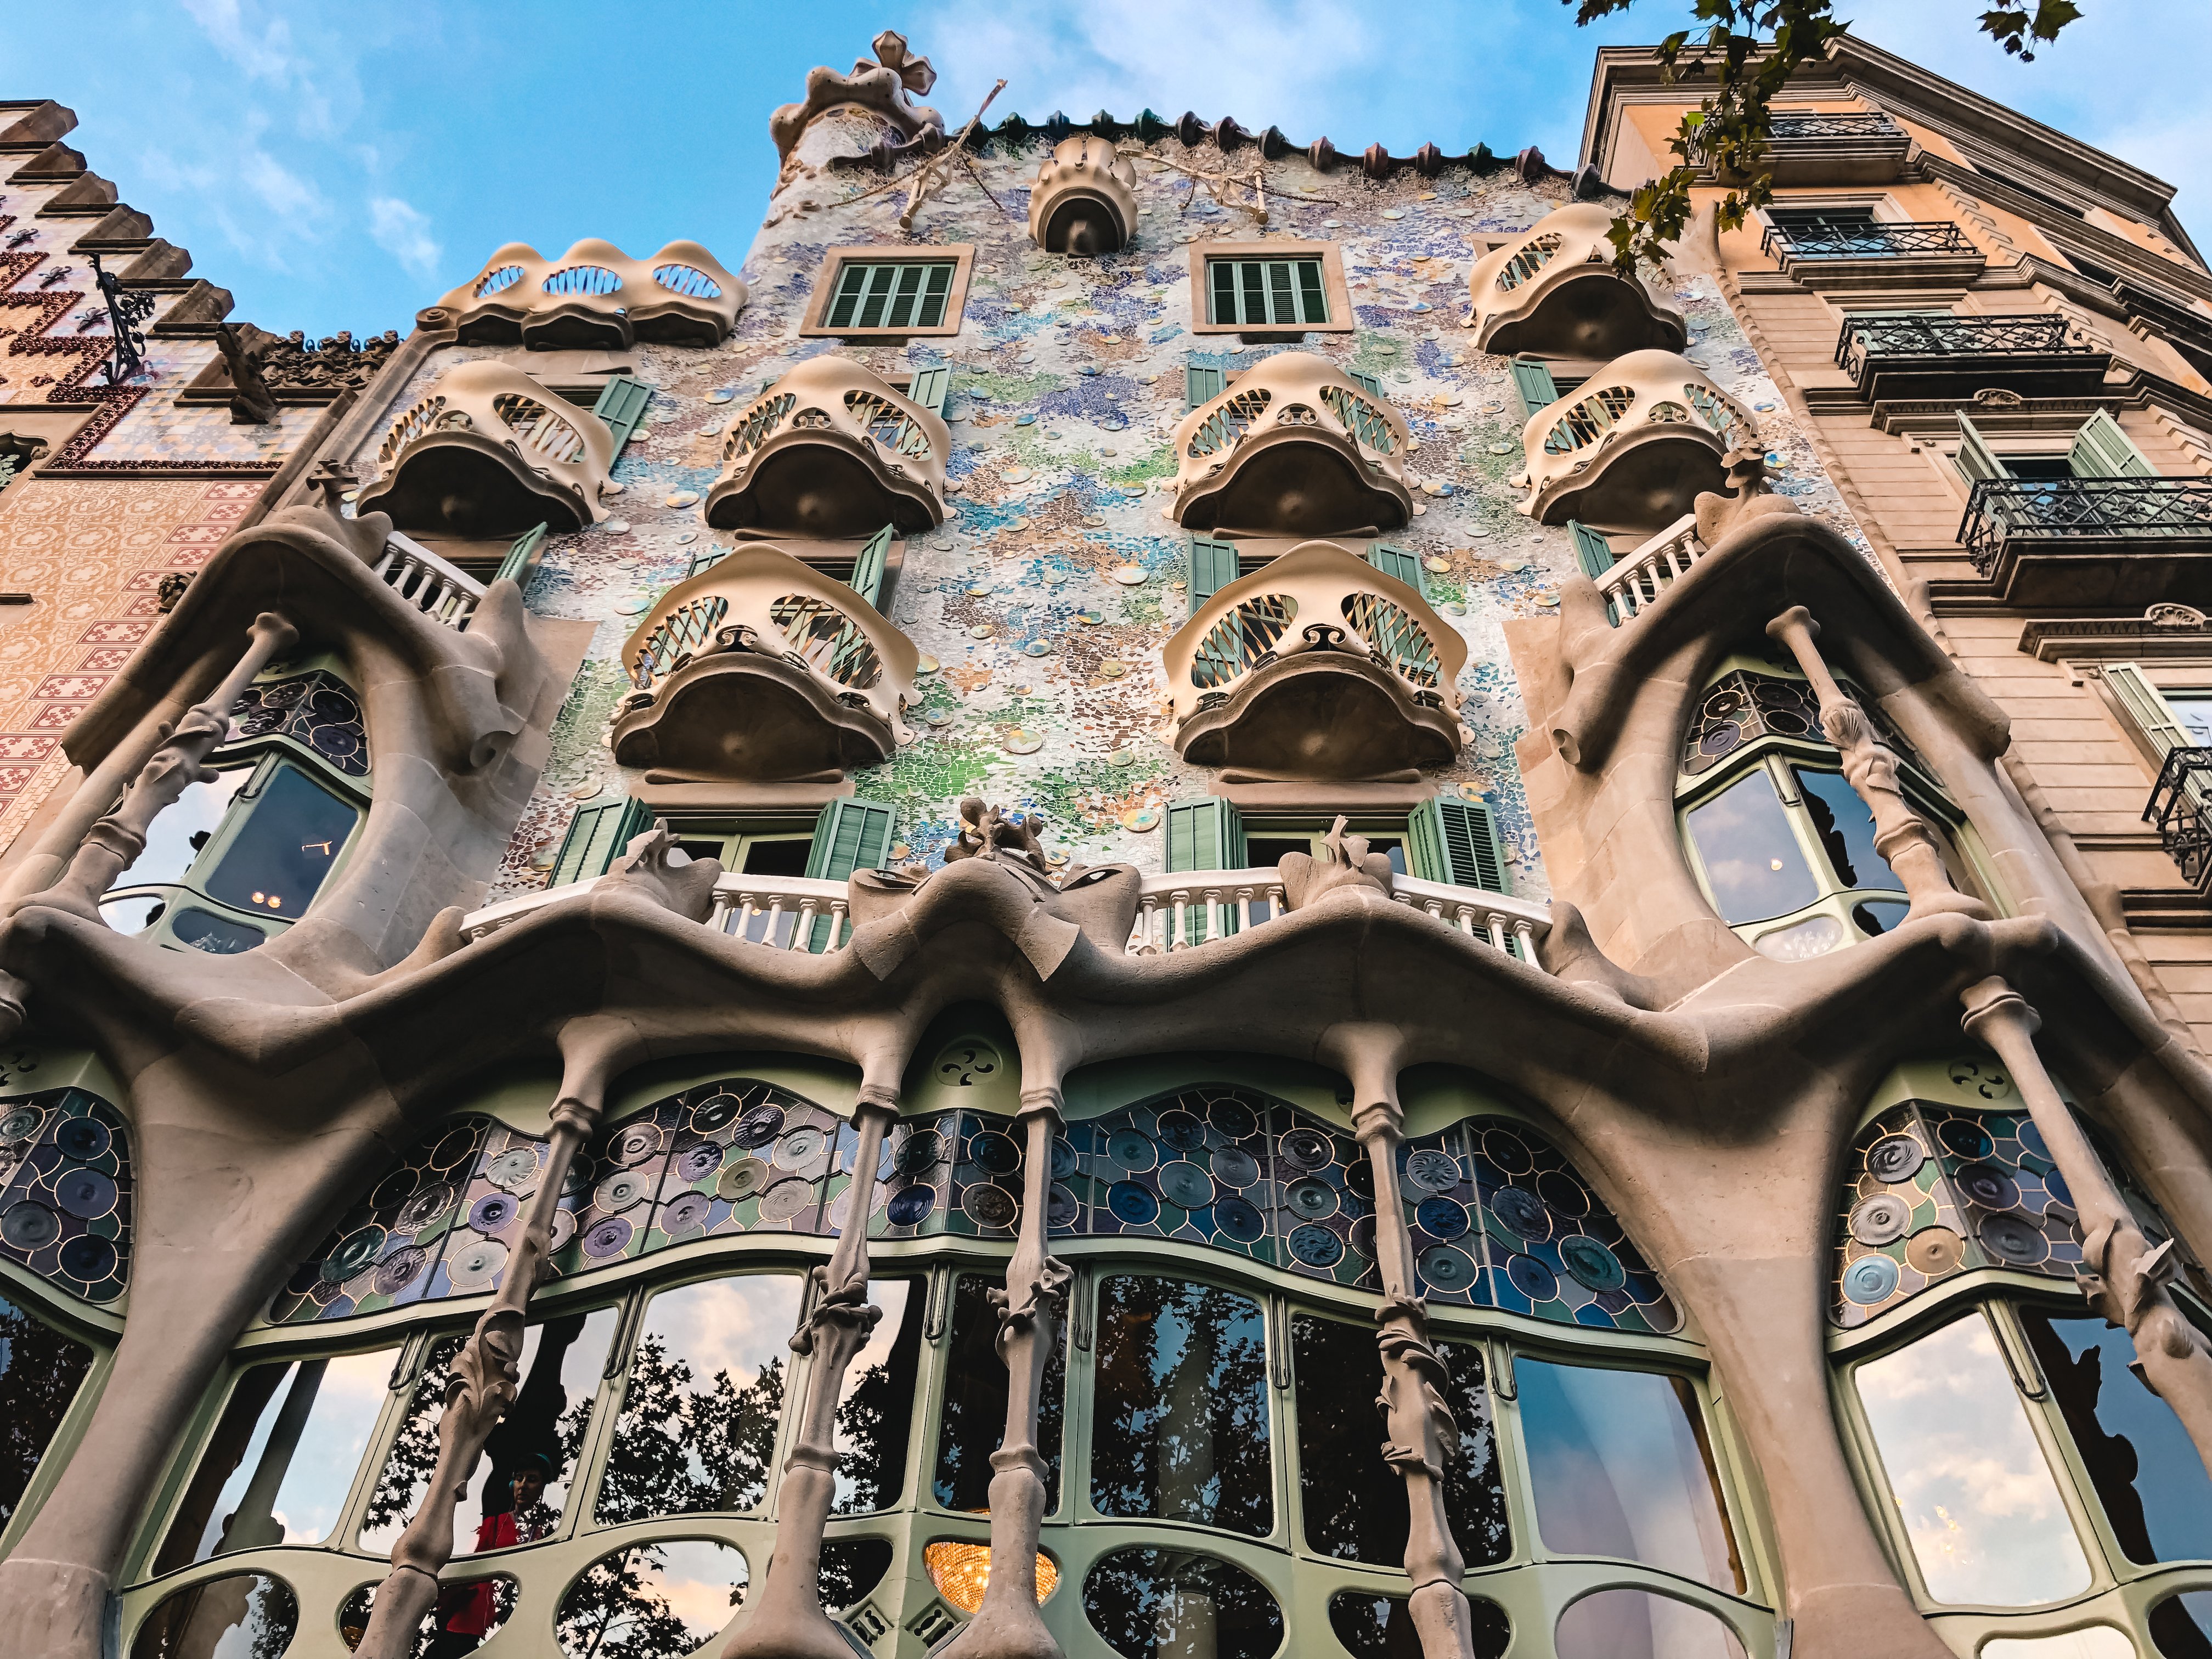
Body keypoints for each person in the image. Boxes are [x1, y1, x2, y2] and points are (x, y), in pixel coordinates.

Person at [422, 1453, 552, 1657]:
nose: (523, 1485)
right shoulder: (494, 1524)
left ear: (543, 1487)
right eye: (519, 1478)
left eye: (532, 1479)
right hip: (473, 1614)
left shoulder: (547, 1532)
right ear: (512, 1484)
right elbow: (473, 1563)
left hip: (514, 1614)